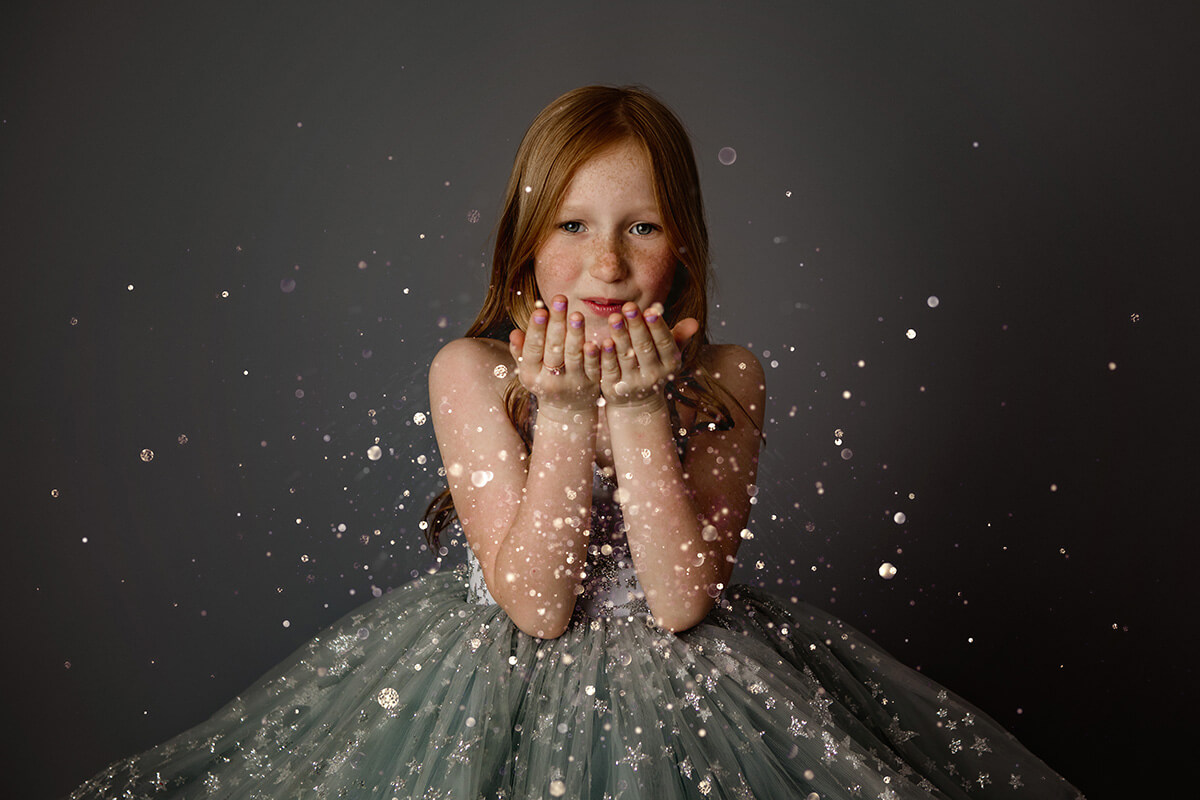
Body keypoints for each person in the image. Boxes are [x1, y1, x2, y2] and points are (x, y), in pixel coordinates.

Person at [70, 86, 1081, 799]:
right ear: (525, 247)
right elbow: (540, 603)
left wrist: (641, 409)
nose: (605, 260)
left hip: (692, 685)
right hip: (489, 677)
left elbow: (682, 596)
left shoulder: (727, 376)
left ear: (680, 242)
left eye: (640, 226)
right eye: (572, 225)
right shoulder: (472, 372)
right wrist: (563, 412)